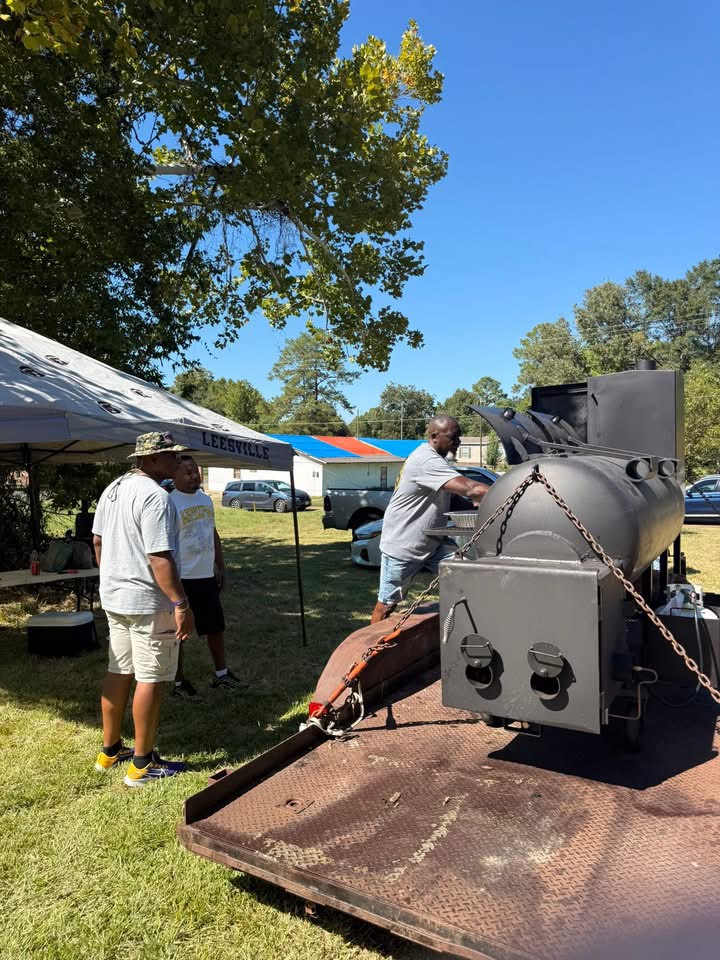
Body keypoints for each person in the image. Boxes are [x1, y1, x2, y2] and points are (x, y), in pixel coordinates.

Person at [92, 431, 195, 787]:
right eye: (170, 455)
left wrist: (113, 575)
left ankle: (110, 751)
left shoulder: (113, 488)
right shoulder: (155, 496)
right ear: (151, 459)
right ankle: (142, 764)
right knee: (151, 677)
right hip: (148, 601)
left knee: (118, 670)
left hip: (115, 596)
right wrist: (180, 603)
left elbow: (98, 541)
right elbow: (159, 556)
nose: (177, 460)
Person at [371, 415, 490, 623]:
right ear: (434, 436)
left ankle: (462, 626)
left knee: (467, 575)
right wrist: (509, 490)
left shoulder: (437, 460)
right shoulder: (425, 460)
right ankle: (370, 642)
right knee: (387, 605)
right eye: (453, 437)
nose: (459, 442)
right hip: (403, 544)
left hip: (433, 543)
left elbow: (453, 498)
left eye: (459, 437)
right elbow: (471, 489)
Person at [169, 455, 245, 697]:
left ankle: (221, 674)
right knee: (179, 633)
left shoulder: (205, 499)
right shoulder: (169, 502)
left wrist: (220, 565)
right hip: (182, 578)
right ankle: (178, 683)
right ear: (174, 475)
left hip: (206, 576)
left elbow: (212, 532)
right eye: (188, 472)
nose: (194, 476)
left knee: (215, 626)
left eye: (196, 471)